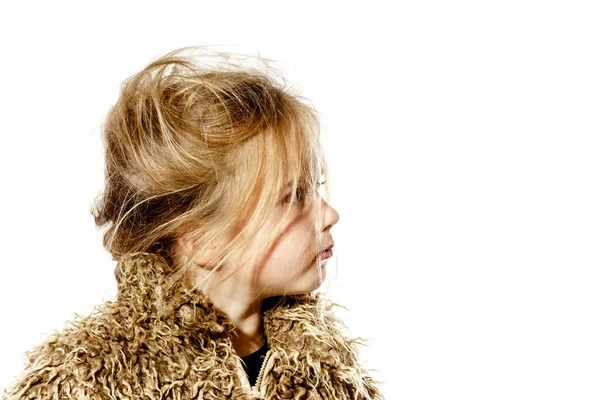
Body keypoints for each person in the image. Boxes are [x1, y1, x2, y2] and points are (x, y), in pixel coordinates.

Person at [2, 46, 385, 399]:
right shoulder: (87, 381)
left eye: (314, 188)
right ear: (204, 241)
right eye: (292, 197)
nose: (329, 214)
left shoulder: (328, 369)